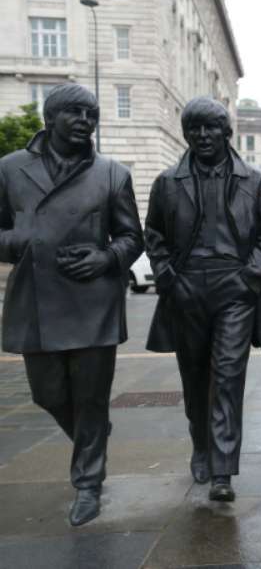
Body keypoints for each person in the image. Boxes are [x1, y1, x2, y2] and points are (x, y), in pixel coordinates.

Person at [0, 83, 143, 525]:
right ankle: (92, 435)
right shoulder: (9, 169)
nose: (85, 121)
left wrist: (107, 257)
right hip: (35, 298)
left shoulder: (112, 174)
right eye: (75, 112)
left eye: (92, 114)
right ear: (51, 117)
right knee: (48, 393)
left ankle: (87, 483)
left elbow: (132, 237)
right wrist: (18, 241)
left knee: (91, 397)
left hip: (93, 300)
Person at [145, 97, 261, 502]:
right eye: (195, 128)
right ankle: (200, 445)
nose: (203, 135)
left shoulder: (253, 181)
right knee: (195, 376)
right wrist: (170, 279)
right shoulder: (168, 182)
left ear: (227, 132)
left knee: (227, 375)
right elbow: (155, 237)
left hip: (234, 289)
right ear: (186, 133)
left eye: (211, 128)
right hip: (186, 288)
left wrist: (250, 277)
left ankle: (223, 469)